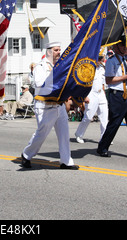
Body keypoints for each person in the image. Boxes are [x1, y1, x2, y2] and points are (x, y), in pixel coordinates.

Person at [21, 42, 79, 170]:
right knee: (42, 133)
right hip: (45, 106)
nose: (59, 52)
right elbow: (40, 84)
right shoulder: (40, 67)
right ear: (48, 52)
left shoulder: (60, 66)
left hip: (59, 105)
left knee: (64, 134)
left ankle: (66, 161)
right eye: (56, 50)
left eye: (59, 49)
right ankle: (26, 154)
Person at [74, 55, 108, 143]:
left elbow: (103, 83)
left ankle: (105, 137)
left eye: (101, 59)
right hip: (91, 94)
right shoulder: (88, 69)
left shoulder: (102, 69)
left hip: (101, 94)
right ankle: (79, 134)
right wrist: (84, 96)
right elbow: (82, 84)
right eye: (98, 58)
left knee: (104, 117)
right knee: (88, 117)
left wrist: (103, 94)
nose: (100, 60)